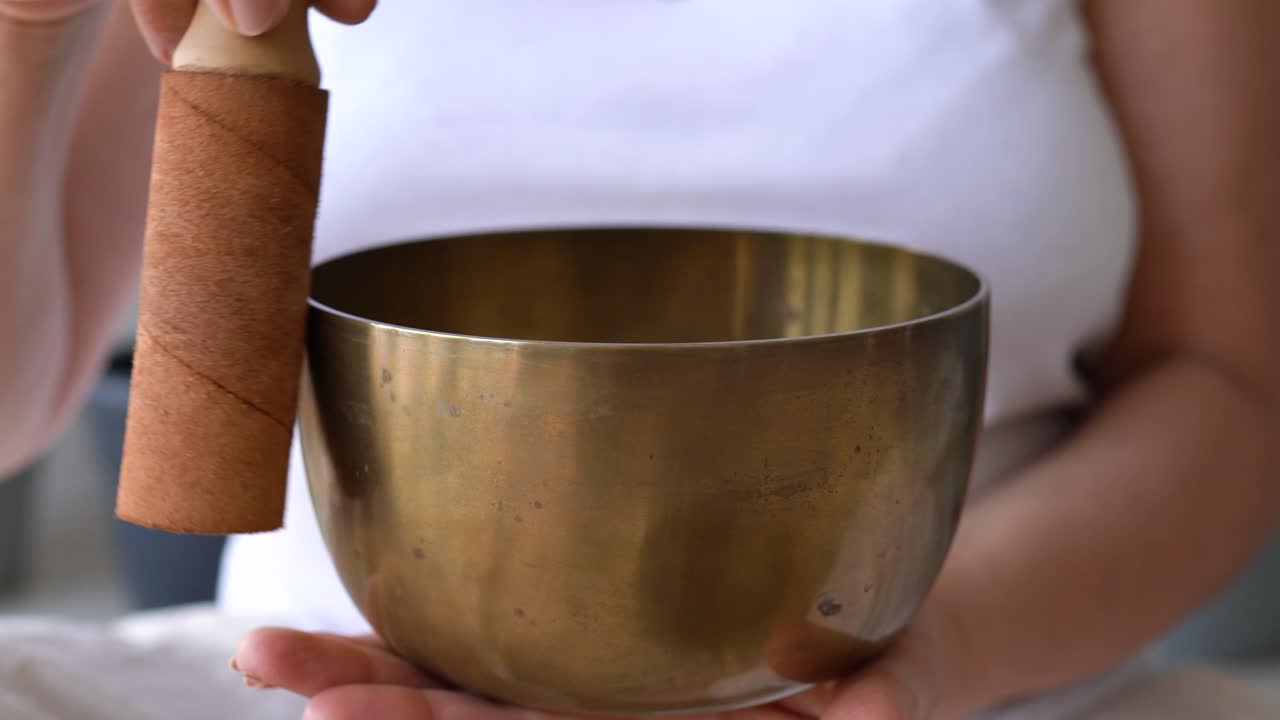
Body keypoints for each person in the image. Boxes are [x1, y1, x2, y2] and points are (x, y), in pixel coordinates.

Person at [2, 1, 1278, 718]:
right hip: (336, 691)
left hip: (976, 684)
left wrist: (933, 652)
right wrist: (27, 28)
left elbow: (1220, 385)